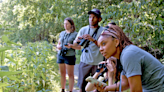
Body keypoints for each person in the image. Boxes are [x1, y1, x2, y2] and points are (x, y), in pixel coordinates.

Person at [94, 24, 164, 92]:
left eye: (103, 44)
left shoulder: (128, 54)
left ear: (116, 42)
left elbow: (136, 90)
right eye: (99, 46)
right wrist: (106, 88)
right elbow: (125, 83)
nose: (100, 49)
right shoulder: (123, 55)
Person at [72, 8, 104, 92]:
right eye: (90, 17)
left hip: (98, 63)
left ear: (99, 19)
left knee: (97, 88)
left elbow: (105, 47)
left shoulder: (103, 31)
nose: (91, 19)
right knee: (82, 87)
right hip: (85, 61)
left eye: (94, 17)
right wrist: (77, 41)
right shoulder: (83, 29)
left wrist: (92, 40)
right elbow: (75, 45)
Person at [56, 17, 80, 92]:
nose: (65, 25)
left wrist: (71, 46)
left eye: (67, 24)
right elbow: (58, 43)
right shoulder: (62, 33)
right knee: (62, 73)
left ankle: (70, 90)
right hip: (61, 55)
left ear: (71, 24)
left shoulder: (76, 34)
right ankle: (62, 89)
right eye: (64, 24)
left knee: (70, 75)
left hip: (70, 56)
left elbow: (79, 47)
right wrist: (58, 47)